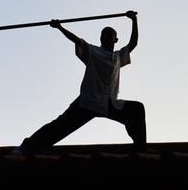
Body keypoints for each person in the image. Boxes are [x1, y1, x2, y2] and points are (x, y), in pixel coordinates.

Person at [17, 11, 145, 154]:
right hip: (88, 102)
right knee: (59, 127)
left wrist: (134, 20)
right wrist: (59, 27)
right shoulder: (93, 51)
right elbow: (77, 40)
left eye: (109, 35)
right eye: (104, 35)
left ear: (115, 40)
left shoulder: (118, 57)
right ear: (100, 38)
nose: (106, 37)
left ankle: (140, 147)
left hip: (109, 104)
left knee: (136, 110)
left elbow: (133, 43)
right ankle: (25, 148)